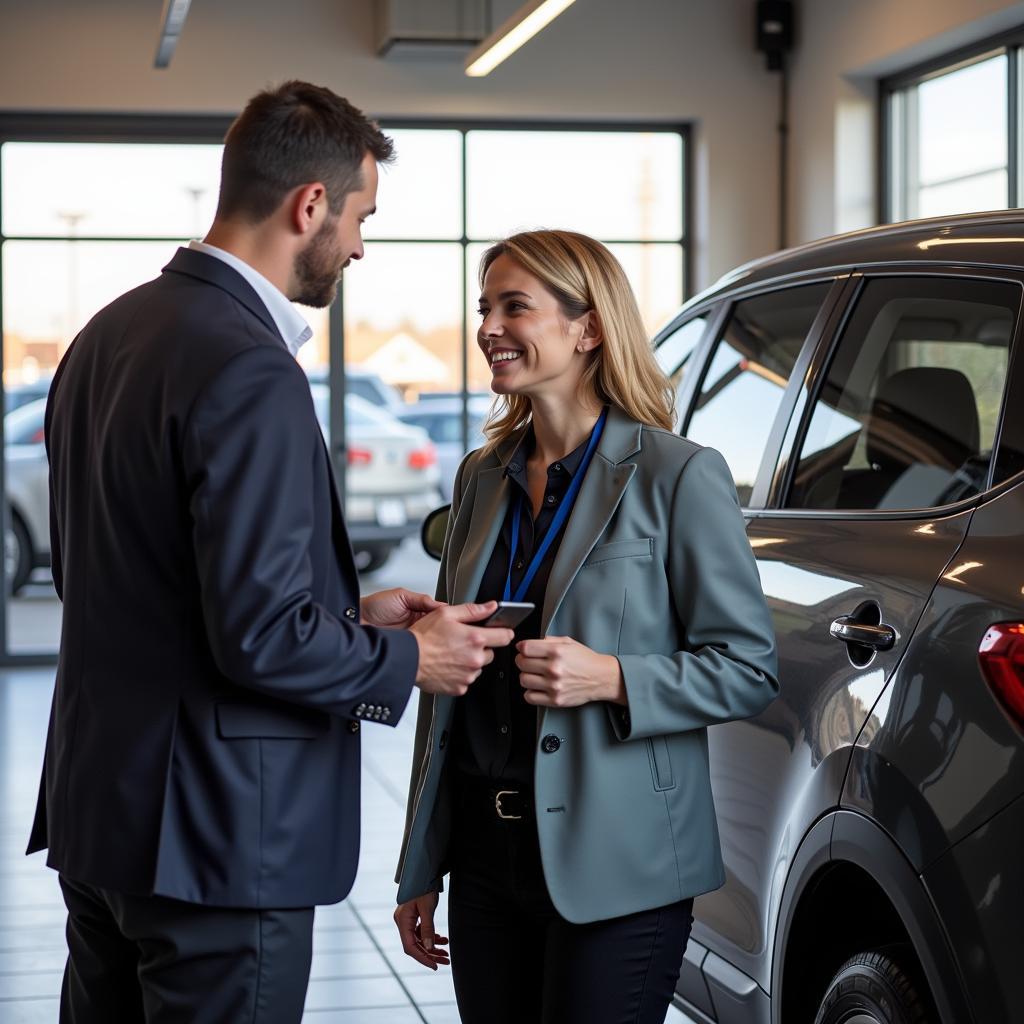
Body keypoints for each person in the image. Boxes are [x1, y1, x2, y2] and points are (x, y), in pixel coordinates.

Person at [27, 81, 514, 1024]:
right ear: (310, 206)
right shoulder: (249, 366)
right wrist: (411, 657)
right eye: (362, 217)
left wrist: (348, 614)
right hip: (216, 838)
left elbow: (147, 574)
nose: (362, 246)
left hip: (104, 814)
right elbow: (258, 637)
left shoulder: (105, 336)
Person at [393, 229, 779, 1023]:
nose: (489, 328)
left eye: (514, 307)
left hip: (620, 864)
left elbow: (748, 667)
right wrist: (420, 866)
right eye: (484, 308)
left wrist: (613, 678)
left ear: (588, 327)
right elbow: (445, 694)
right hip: (485, 857)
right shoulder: (480, 478)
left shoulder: (677, 474)